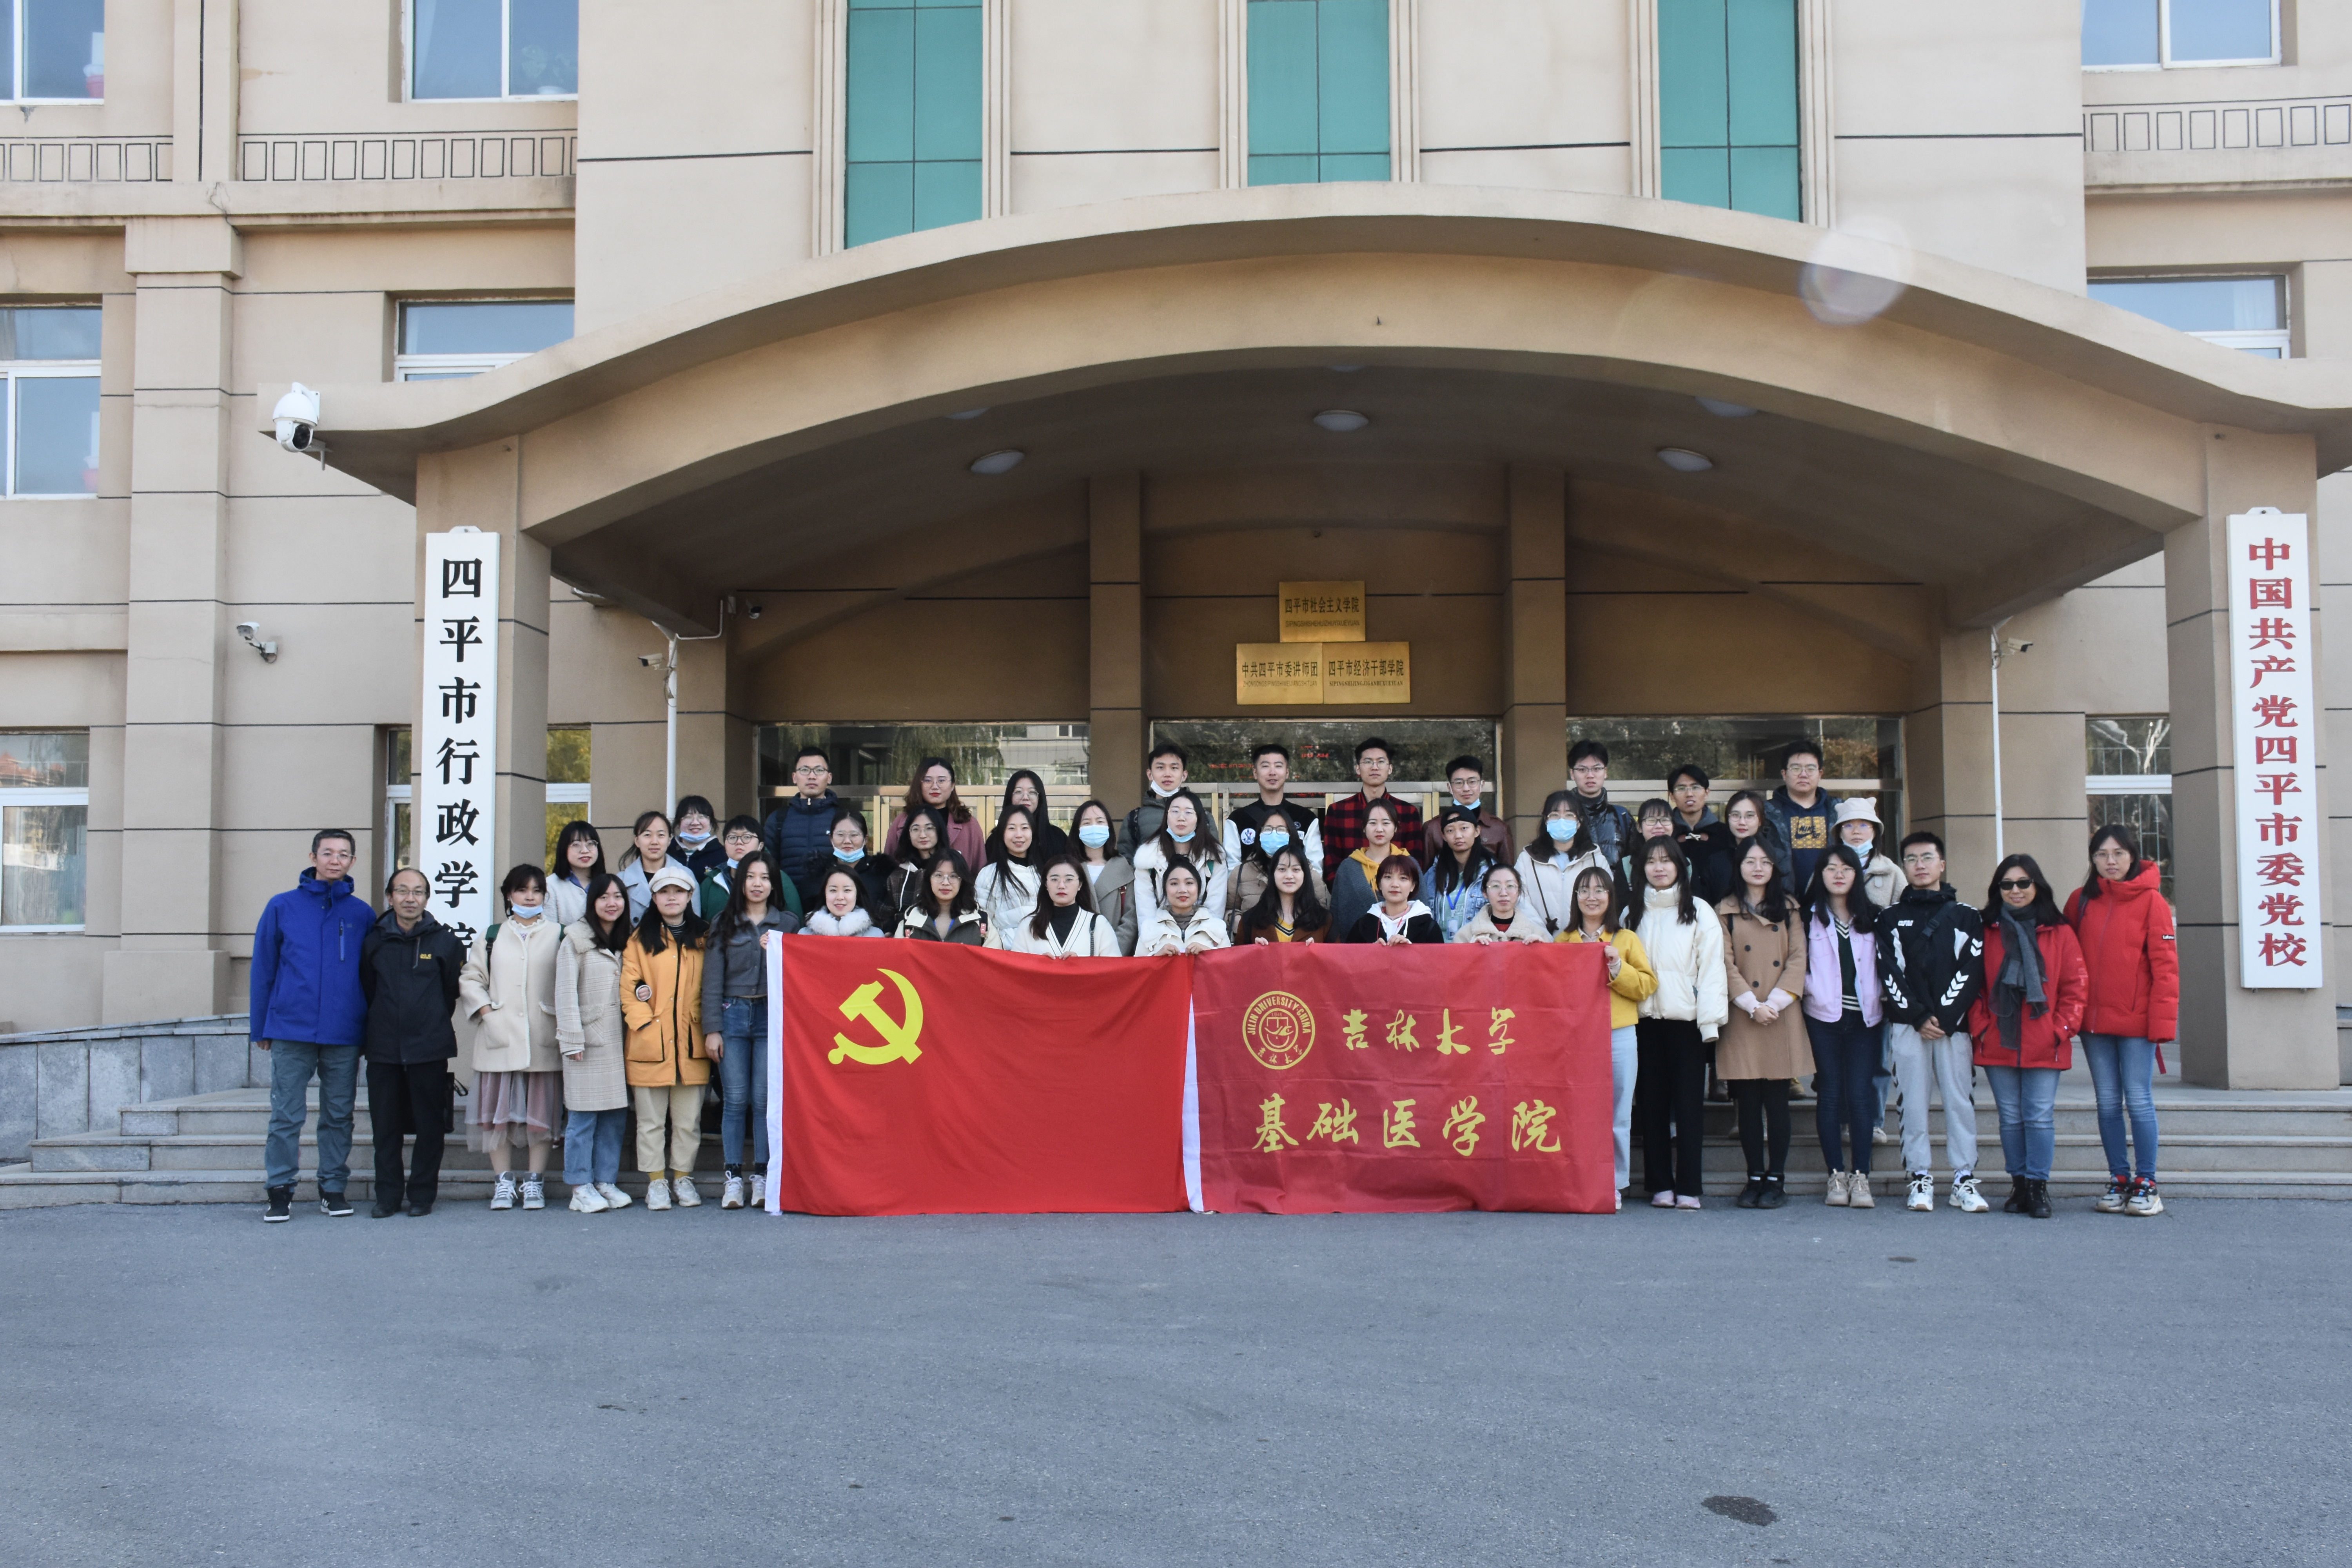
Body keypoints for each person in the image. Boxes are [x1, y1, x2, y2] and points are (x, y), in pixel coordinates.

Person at [251, 829, 373, 1222]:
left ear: (353, 861)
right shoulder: (282, 906)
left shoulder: (362, 914)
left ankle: (333, 1187)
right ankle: (280, 1189)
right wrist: (261, 1027)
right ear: (313, 857)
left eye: (344, 854)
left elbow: (372, 977)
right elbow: (264, 968)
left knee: (338, 1114)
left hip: (344, 1030)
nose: (335, 860)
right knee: (286, 1114)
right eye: (328, 853)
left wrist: (368, 1031)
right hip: (291, 1027)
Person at [2065, 825, 2178, 1217]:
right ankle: (2118, 1178)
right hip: (2094, 1023)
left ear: (2132, 856)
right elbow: (2065, 957)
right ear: (2093, 859)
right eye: (2102, 854)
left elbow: (2166, 969)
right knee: (2108, 1102)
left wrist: (2162, 1025)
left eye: (2118, 853)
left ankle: (2147, 1182)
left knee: (2139, 1099)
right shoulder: (2080, 901)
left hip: (2137, 1022)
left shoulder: (2152, 901)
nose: (2110, 861)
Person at [1970, 854, 2088, 1221]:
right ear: (1998, 889)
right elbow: (1973, 986)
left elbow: (2076, 986)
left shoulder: (2059, 931)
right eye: (2007, 884)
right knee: (2010, 1117)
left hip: (2045, 1039)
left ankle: (2038, 1186)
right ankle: (2019, 1184)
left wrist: (2060, 1029)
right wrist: (1981, 1026)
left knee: (2038, 1116)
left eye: (2023, 883)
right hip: (1998, 1037)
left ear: (2037, 885)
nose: (2016, 890)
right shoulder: (1985, 929)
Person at [1878, 829, 1989, 1215]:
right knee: (1912, 1103)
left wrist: (1943, 1017)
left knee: (1959, 1101)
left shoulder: (1967, 916)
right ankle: (1920, 1177)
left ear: (1942, 864)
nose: (1920, 865)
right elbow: (1890, 973)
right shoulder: (1889, 918)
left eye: (1927, 858)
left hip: (1954, 1028)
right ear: (1903, 867)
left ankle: (1963, 1178)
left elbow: (1972, 970)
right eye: (1911, 859)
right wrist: (1919, 1016)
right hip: (1908, 1027)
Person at [356, 866, 464, 1218]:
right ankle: (387, 1196)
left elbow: (449, 993)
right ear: (390, 897)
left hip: (429, 1047)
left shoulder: (445, 942)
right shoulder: (374, 941)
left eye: (418, 892)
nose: (410, 898)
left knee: (430, 1127)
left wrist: (427, 1021)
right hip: (383, 1048)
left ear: (427, 899)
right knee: (385, 1127)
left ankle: (422, 1195)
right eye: (402, 891)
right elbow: (369, 988)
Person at [457, 865, 566, 1212]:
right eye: (522, 890)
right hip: (500, 1035)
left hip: (543, 1035)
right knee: (497, 1116)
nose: (530, 897)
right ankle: (503, 1182)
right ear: (509, 895)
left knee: (541, 1116)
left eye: (537, 891)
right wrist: (488, 1013)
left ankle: (535, 1182)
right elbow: (471, 979)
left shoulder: (560, 935)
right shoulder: (491, 936)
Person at [1717, 837, 1811, 1209]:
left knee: (1777, 1101)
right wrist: (1750, 1004)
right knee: (1748, 1103)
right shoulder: (1724, 910)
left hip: (1780, 1013)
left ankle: (1777, 1179)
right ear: (1738, 866)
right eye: (1750, 861)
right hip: (1743, 1014)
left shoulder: (1789, 908)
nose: (1758, 868)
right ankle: (1754, 1176)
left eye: (1765, 862)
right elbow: (1723, 962)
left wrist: (1773, 1003)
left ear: (1775, 868)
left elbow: (1799, 958)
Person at [702, 848, 797, 1210]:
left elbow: (801, 974)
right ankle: (732, 1177)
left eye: (765, 878)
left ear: (774, 885)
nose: (758, 884)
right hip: (732, 1015)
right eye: (752, 877)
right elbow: (711, 981)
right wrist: (712, 1029)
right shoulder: (723, 922)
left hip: (771, 1017)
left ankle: (761, 1175)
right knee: (735, 1099)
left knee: (763, 1100)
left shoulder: (787, 923)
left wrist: (779, 950)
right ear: (741, 882)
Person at [1633, 838, 1725, 1208]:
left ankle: (1688, 1186)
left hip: (1686, 1021)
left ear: (1680, 866)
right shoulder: (1631, 912)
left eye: (1666, 861)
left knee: (1689, 1107)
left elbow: (1712, 970)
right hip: (1643, 1022)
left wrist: (1710, 1023)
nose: (1659, 868)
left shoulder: (1699, 910)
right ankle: (1660, 1184)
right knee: (1652, 1106)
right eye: (1651, 861)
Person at [1560, 865, 1658, 1203]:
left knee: (1618, 1113)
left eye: (1600, 890)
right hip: (1577, 1038)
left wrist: (1617, 967)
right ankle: (1579, 1178)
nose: (1592, 897)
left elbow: (1646, 986)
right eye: (1585, 890)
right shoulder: (1563, 941)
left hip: (1619, 1034)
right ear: (1576, 897)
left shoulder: (1626, 939)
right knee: (1578, 1111)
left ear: (1611, 897)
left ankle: (1614, 1183)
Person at [621, 863, 711, 1210]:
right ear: (654, 898)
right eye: (664, 892)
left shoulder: (705, 937)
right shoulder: (639, 940)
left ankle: (683, 1178)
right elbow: (629, 988)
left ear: (690, 897)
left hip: (692, 1042)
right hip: (650, 1044)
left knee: (688, 1122)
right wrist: (645, 1025)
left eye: (679, 892)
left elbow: (712, 985)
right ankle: (656, 1182)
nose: (671, 898)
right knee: (650, 1122)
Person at [1802, 844, 1884, 1210]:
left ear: (1857, 874)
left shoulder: (1874, 917)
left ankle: (1861, 1176)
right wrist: (1812, 989)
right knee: (1831, 1093)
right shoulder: (1807, 917)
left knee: (1861, 1095)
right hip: (1824, 1017)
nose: (1839, 874)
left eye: (1846, 868)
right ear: (1820, 874)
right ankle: (1836, 1174)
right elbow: (1797, 963)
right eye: (1831, 868)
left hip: (1866, 1019)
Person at [554, 871, 635, 1213]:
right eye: (604, 897)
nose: (612, 903)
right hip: (587, 1041)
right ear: (593, 902)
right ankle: (580, 1186)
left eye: (618, 897)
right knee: (583, 1117)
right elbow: (564, 992)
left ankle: (605, 1181)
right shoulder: (575, 938)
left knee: (614, 1117)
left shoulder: (629, 939)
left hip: (620, 1041)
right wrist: (572, 1040)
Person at [1223, 744, 1327, 927]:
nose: (1272, 772)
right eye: (1265, 766)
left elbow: (1315, 867)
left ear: (1287, 772)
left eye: (1278, 766)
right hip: (1253, 904)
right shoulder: (1238, 819)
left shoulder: (1306, 818)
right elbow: (1232, 869)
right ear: (1255, 773)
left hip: (1297, 909)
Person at [1514, 790, 1613, 938]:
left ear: (1579, 822)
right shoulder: (1527, 859)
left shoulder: (1595, 859)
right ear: (1546, 821)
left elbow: (1607, 898)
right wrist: (1542, 933)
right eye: (1555, 815)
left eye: (1569, 815)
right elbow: (1520, 900)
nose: (1562, 820)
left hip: (1584, 942)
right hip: (1538, 941)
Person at [1132, 788, 1227, 934]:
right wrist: (1160, 941)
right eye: (1175, 811)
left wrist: (1201, 939)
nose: (1181, 818)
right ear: (1166, 816)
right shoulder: (1147, 858)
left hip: (1203, 939)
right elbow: (1146, 914)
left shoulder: (1214, 858)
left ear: (1199, 818)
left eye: (1188, 812)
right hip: (1161, 939)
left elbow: (1215, 910)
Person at [990, 855, 1123, 956]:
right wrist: (1037, 966)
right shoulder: (1028, 926)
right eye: (1054, 879)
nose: (1061, 886)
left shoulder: (1099, 924)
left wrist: (1082, 966)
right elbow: (1016, 973)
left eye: (1069, 880)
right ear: (1046, 885)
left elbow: (1113, 971)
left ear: (1080, 885)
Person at [1322, 737, 1421, 862]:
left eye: (1381, 762)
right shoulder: (1338, 812)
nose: (1375, 767)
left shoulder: (1409, 812)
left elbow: (1415, 864)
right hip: (1350, 876)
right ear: (1358, 769)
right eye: (1368, 762)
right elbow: (1332, 864)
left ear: (1390, 769)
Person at [763, 744, 841, 896]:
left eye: (819, 770)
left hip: (833, 902)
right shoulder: (778, 819)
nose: (812, 776)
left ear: (829, 777)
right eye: (805, 770)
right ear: (794, 777)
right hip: (788, 901)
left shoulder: (843, 818)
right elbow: (766, 866)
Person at [884, 757, 986, 872]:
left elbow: (980, 872)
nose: (935, 786)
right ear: (919, 784)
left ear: (953, 785)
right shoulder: (901, 822)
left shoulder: (969, 825)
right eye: (928, 781)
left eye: (941, 781)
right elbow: (888, 868)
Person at [1328, 797, 1408, 939]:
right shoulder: (1348, 868)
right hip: (1358, 947)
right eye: (1373, 823)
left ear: (1396, 827)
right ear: (1364, 827)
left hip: (1403, 946)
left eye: (1386, 823)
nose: (1379, 829)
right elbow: (1336, 913)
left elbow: (1422, 911)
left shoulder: (1408, 864)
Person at [701, 814, 803, 922]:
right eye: (732, 837)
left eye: (747, 837)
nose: (739, 842)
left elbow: (795, 923)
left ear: (761, 846)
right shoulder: (712, 881)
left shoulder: (779, 878)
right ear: (725, 845)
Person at [1763, 742, 1835, 896]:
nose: (1803, 774)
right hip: (1781, 900)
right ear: (1784, 774)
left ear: (1820, 774)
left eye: (1811, 769)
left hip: (1831, 901)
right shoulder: (1766, 813)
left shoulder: (1838, 810)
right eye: (1796, 768)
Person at [1070, 799, 1140, 955]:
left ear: (1109, 827)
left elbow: (1130, 919)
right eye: (1087, 823)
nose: (1094, 827)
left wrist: (1112, 952)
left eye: (1100, 822)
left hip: (1114, 955)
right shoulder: (1068, 868)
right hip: (1076, 955)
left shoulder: (1124, 869)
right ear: (1078, 830)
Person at [1563, 740, 1637, 883]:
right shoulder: (1562, 818)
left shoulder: (1622, 817)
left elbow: (1635, 861)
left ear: (1606, 772)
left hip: (1616, 894)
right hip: (1574, 893)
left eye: (1597, 769)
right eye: (1582, 770)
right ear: (1572, 774)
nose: (1590, 775)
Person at [1424, 804, 1499, 942]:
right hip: (1438, 950)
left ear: (1477, 831)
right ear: (1444, 837)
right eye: (1450, 831)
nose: (1458, 836)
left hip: (1476, 948)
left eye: (1464, 828)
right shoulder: (1433, 874)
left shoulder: (1492, 874)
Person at [1418, 755, 1510, 864]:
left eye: (1472, 782)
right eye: (1459, 783)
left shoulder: (1499, 828)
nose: (1466, 789)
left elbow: (1508, 871)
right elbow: (1427, 872)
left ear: (1482, 785)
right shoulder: (1433, 828)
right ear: (1449, 788)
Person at [1668, 764, 1737, 903]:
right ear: (1672, 796)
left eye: (1696, 787)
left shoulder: (1726, 834)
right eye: (1681, 788)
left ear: (1707, 792)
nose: (1689, 794)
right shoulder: (1666, 835)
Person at [1237, 844, 1332, 944]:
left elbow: (1335, 954)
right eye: (1282, 869)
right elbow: (1239, 953)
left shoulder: (1325, 920)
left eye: (1296, 870)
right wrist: (1254, 951)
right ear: (1272, 874)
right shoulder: (1250, 919)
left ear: (1305, 874)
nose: (1289, 876)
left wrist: (1318, 952)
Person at [975, 803, 1046, 935]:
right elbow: (982, 920)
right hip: (1006, 946)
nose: (1019, 835)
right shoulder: (990, 874)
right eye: (1012, 828)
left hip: (1043, 945)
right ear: (1002, 833)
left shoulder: (1045, 872)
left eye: (1025, 828)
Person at [1344, 854, 1443, 944]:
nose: (1395, 884)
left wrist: (1411, 950)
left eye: (1403, 878)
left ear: (1413, 886)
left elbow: (1438, 958)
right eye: (1388, 877)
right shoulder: (1363, 925)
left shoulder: (1428, 926)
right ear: (1379, 884)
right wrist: (1372, 952)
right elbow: (1348, 957)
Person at [895, 850, 990, 944]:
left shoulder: (981, 921)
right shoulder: (910, 921)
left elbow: (992, 953)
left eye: (953, 876)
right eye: (939, 875)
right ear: (929, 879)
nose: (945, 883)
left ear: (962, 881)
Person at [1137, 860, 1230, 955]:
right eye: (1174, 884)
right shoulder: (1149, 928)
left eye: (1189, 883)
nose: (1182, 890)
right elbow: (1138, 964)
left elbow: (1228, 963)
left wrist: (1208, 953)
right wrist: (1158, 957)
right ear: (1165, 889)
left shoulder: (1217, 927)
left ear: (1199, 889)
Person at [807, 809, 890, 916]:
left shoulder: (880, 875)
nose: (847, 841)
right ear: (831, 839)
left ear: (865, 839)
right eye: (841, 835)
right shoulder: (817, 876)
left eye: (854, 835)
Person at [1120, 741, 1191, 858]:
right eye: (1160, 768)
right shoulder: (1134, 819)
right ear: (1150, 774)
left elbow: (1211, 858)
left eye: (1174, 768)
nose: (1167, 774)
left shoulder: (1202, 816)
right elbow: (1125, 860)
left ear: (1184, 775)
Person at [885, 806, 951, 927]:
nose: (923, 835)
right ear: (908, 834)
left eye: (929, 828)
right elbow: (885, 917)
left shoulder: (953, 869)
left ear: (939, 831)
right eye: (916, 829)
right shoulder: (897, 876)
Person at [1835, 797, 1902, 909]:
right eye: (1848, 826)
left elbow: (1903, 912)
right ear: (1840, 834)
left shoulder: (1890, 870)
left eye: (1863, 825)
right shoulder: (1827, 867)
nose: (1856, 832)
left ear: (1874, 832)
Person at [1457, 864, 1549, 944]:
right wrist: (1472, 951)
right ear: (1485, 892)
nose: (1503, 893)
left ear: (1519, 891)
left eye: (1510, 886)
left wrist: (1539, 950)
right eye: (1496, 886)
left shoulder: (1537, 934)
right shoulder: (1465, 936)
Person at [617, 809, 676, 923]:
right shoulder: (622, 881)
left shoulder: (686, 876)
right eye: (647, 835)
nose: (654, 842)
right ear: (637, 841)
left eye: (661, 835)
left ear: (669, 840)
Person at [546, 819, 606, 927]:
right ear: (564, 849)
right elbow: (550, 930)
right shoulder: (551, 885)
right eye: (576, 845)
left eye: (591, 844)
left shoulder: (607, 883)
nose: (585, 851)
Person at [1000, 769, 1069, 860]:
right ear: (1010, 797)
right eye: (1018, 792)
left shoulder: (1057, 837)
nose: (1025, 798)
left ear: (1040, 798)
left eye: (1032, 792)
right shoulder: (996, 838)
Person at [804, 866, 887, 938]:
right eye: (833, 890)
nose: (840, 897)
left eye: (847, 890)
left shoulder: (876, 935)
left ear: (857, 895)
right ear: (824, 894)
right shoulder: (805, 935)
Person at [673, 796, 724, 880]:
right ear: (679, 823)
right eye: (688, 817)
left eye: (701, 817)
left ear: (711, 822)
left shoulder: (722, 855)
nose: (695, 823)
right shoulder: (668, 852)